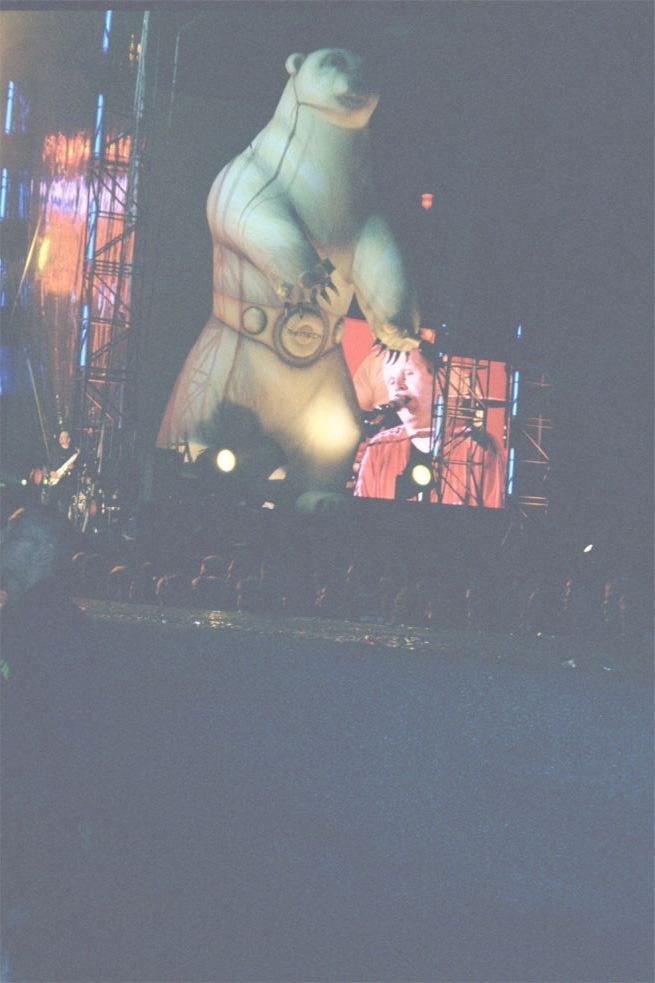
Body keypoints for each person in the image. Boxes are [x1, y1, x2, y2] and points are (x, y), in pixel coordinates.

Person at [0, 507, 114, 979]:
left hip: (31, 812)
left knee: (30, 931)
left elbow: (69, 729)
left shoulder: (53, 628)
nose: (2, 543)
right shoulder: (23, 618)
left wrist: (75, 810)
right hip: (27, 808)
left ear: (44, 551)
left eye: (15, 536)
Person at [354, 345, 441, 501]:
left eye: (408, 373)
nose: (398, 385)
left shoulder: (474, 448)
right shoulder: (378, 448)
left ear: (439, 378)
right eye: (391, 381)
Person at [47, 428, 81, 516]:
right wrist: (51, 472)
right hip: (55, 482)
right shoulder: (54, 450)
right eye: (60, 436)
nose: (60, 438)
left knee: (64, 508)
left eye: (63, 436)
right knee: (51, 506)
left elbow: (79, 468)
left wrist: (73, 467)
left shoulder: (73, 452)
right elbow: (49, 463)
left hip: (67, 484)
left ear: (68, 439)